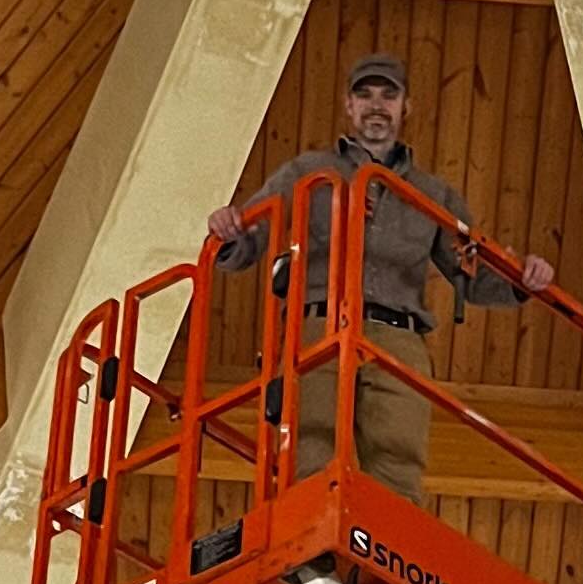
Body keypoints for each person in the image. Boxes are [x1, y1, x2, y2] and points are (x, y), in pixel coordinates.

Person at [209, 56, 554, 501]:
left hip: (399, 336)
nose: (377, 105)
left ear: (405, 107)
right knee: (311, 440)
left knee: (399, 453)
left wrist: (521, 279)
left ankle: (383, 566)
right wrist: (228, 230)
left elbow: (469, 273)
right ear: (349, 107)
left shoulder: (435, 195)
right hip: (319, 322)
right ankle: (314, 562)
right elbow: (248, 235)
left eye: (389, 95)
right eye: (365, 95)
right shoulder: (307, 172)